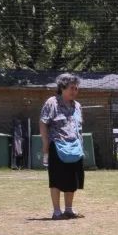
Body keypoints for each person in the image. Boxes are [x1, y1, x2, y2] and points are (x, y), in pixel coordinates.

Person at [39, 73, 85, 220]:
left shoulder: (77, 106)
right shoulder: (52, 103)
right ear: (62, 88)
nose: (74, 91)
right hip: (57, 146)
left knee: (73, 180)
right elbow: (43, 123)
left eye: (76, 88)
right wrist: (46, 144)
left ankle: (69, 210)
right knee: (56, 179)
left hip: (75, 147)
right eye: (72, 88)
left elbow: (79, 127)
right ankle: (57, 211)